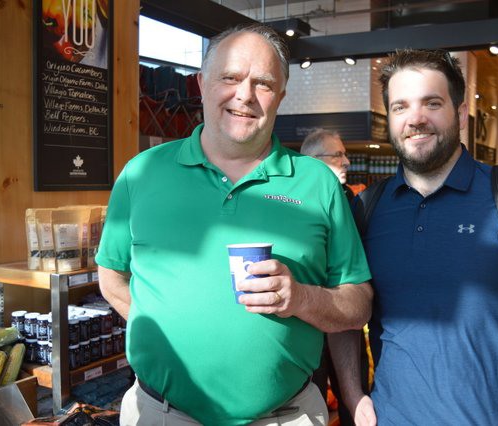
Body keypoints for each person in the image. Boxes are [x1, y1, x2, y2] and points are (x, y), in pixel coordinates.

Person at [95, 24, 373, 426]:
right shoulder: (141, 173)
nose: (244, 95)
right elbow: (111, 275)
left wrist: (300, 298)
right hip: (162, 414)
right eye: (230, 77)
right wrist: (165, 327)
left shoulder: (318, 184)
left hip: (286, 416)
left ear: (281, 95)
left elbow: (358, 302)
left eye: (263, 83)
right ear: (201, 83)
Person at [329, 49, 498, 425]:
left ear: (461, 112)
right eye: (401, 106)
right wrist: (353, 396)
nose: (416, 118)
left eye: (432, 103)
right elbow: (343, 314)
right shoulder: (367, 210)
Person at [300, 129, 369, 426]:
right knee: (313, 396)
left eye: (345, 154)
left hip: (347, 317)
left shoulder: (353, 200)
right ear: (313, 160)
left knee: (356, 400)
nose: (346, 161)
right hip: (309, 322)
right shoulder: (293, 202)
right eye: (337, 155)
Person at [300, 129, 353, 199]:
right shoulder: (293, 198)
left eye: (344, 155)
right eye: (338, 155)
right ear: (314, 160)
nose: (347, 162)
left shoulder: (347, 194)